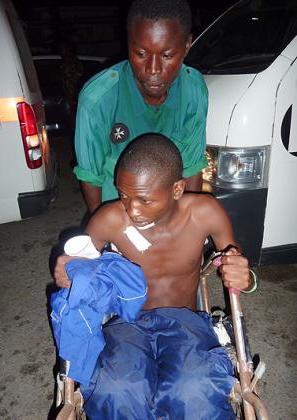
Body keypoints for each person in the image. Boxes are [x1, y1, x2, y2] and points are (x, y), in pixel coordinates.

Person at [54, 134, 256, 419]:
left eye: (144, 200)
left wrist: (245, 276)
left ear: (176, 189)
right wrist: (67, 272)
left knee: (194, 390)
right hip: (127, 322)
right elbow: (77, 266)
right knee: (116, 389)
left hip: (186, 321)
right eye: (124, 195)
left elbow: (237, 262)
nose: (132, 210)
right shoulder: (110, 219)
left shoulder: (204, 213)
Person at [73, 0, 208, 214]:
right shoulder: (97, 99)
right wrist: (105, 232)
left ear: (186, 45)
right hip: (119, 212)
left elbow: (192, 166)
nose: (153, 69)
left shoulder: (194, 90)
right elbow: (91, 175)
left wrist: (187, 226)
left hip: (170, 212)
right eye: (141, 54)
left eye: (166, 55)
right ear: (128, 44)